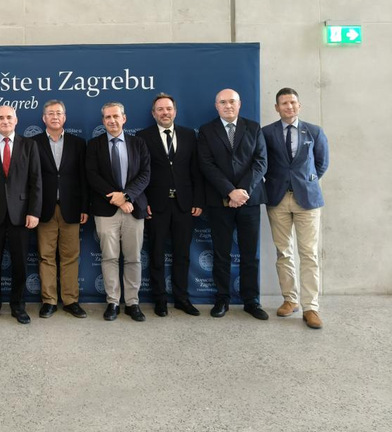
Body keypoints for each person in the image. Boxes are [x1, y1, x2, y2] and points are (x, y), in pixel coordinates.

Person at [197, 88, 268, 320]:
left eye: (232, 102)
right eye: (223, 102)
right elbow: (206, 165)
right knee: (221, 253)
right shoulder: (207, 130)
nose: (228, 106)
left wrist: (242, 191)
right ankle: (222, 299)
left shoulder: (254, 127)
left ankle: (251, 300)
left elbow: (260, 162)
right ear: (216, 106)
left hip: (249, 200)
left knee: (250, 254)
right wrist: (230, 191)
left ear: (240, 104)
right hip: (220, 201)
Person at [262, 88, 329, 329]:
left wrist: (304, 182)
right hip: (278, 199)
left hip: (307, 200)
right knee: (284, 252)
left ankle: (311, 307)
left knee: (309, 253)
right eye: (284, 103)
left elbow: (321, 164)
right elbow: (263, 163)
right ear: (277, 108)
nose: (289, 107)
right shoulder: (266, 133)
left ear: (299, 105)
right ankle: (290, 300)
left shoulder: (314, 131)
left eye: (292, 102)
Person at [136, 93, 204, 317]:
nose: (165, 113)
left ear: (175, 111)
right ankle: (160, 299)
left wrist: (198, 200)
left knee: (182, 254)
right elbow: (139, 173)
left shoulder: (189, 135)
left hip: (185, 204)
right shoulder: (143, 136)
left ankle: (182, 298)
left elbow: (196, 170)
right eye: (160, 109)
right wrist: (143, 202)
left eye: (168, 109)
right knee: (156, 254)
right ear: (153, 113)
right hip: (156, 205)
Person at [0, 105, 42, 325]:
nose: (5, 121)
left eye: (9, 117)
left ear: (16, 120)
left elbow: (36, 182)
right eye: (0, 118)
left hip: (20, 216)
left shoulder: (29, 145)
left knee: (20, 264)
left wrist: (34, 211)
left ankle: (18, 306)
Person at [86, 102, 150, 322]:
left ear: (124, 118)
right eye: (107, 117)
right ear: (103, 121)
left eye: (116, 116)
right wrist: (117, 199)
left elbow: (145, 174)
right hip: (106, 210)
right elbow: (92, 175)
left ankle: (132, 303)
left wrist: (127, 196)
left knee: (133, 258)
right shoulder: (94, 145)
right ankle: (113, 302)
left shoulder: (138, 143)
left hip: (134, 208)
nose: (112, 120)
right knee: (109, 257)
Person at [33, 100, 89, 319]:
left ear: (64, 117)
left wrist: (84, 206)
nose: (55, 116)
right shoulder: (33, 143)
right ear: (44, 118)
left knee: (70, 256)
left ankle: (70, 300)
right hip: (44, 209)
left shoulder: (78, 143)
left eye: (58, 113)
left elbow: (83, 178)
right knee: (46, 256)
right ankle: (49, 301)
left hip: (71, 208)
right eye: (50, 113)